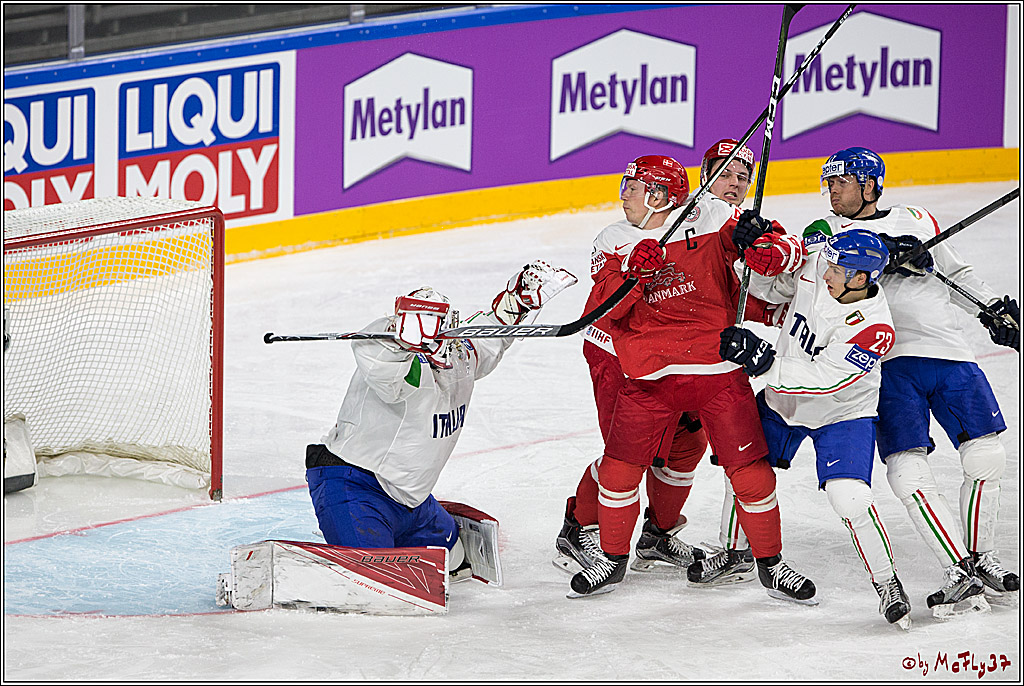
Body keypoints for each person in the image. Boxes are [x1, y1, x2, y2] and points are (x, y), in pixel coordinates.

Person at [566, 153, 815, 602]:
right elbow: (601, 313)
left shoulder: (712, 214)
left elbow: (784, 246)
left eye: (632, 185)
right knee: (622, 467)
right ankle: (610, 555)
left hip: (715, 370)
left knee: (748, 472)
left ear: (659, 195)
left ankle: (770, 563)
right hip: (645, 375)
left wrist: (768, 249)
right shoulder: (614, 240)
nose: (623, 193)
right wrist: (632, 275)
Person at [802, 146, 1019, 615]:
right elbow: (822, 286)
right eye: (829, 182)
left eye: (839, 182)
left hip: (948, 350)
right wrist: (882, 258)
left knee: (987, 455)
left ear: (869, 184)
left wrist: (991, 310)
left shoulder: (917, 218)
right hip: (884, 361)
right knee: (907, 469)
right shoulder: (824, 233)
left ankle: (983, 558)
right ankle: (957, 567)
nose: (831, 191)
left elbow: (956, 272)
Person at [305, 262, 576, 580]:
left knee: (456, 563)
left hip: (412, 500)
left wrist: (515, 303)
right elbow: (377, 357)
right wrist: (402, 339)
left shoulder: (459, 356)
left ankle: (422, 521)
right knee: (377, 580)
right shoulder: (395, 360)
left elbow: (488, 338)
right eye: (419, 320)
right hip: (354, 486)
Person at [715, 226, 913, 628]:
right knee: (743, 473)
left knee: (849, 497)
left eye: (837, 271)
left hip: (841, 412)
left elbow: (826, 378)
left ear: (861, 279)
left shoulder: (875, 328)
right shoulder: (825, 260)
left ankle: (887, 582)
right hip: (781, 401)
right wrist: (752, 256)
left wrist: (765, 361)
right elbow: (775, 290)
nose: (825, 273)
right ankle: (735, 550)